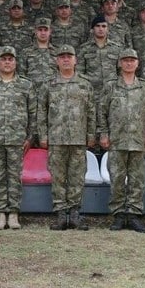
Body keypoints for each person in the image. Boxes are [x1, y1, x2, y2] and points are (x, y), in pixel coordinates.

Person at [38, 45, 95, 231]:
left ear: (75, 60)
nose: (65, 59)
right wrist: (43, 136)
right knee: (58, 178)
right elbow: (42, 112)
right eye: (61, 56)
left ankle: (75, 214)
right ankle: (61, 214)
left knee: (77, 177)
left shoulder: (85, 84)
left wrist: (91, 134)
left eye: (69, 56)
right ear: (57, 61)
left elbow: (92, 112)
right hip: (56, 138)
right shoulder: (49, 84)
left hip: (78, 138)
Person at [98, 48, 145, 233]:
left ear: (137, 63)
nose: (129, 63)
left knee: (137, 180)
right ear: (120, 63)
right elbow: (102, 112)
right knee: (116, 178)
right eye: (125, 60)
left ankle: (134, 215)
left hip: (138, 141)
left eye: (132, 60)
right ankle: (118, 215)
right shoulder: (110, 86)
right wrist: (104, 133)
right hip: (117, 140)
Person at [0, 46, 36, 230]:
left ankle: (13, 213)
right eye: (3, 59)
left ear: (15, 62)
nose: (7, 62)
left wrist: (30, 136)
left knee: (14, 177)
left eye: (10, 59)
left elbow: (32, 113)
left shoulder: (26, 85)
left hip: (17, 138)